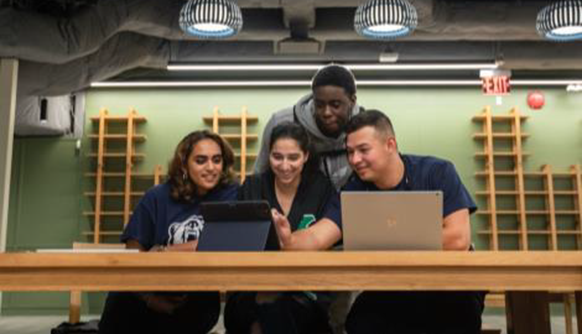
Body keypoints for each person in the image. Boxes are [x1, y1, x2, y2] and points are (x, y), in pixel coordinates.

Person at [323, 109, 484, 334]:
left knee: (457, 317)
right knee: (359, 322)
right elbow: (320, 234)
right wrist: (287, 238)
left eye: (363, 150)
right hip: (393, 285)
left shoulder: (438, 172)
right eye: (350, 152)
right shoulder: (355, 188)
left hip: (449, 283)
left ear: (390, 145)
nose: (354, 160)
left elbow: (458, 240)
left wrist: (382, 240)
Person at [98, 130, 238, 334]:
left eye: (217, 160)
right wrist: (149, 298)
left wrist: (167, 250)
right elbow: (133, 252)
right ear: (183, 164)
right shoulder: (157, 196)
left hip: (198, 291)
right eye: (200, 160)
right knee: (121, 298)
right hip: (155, 285)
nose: (211, 168)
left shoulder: (231, 194)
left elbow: (222, 240)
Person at [224, 122, 339, 334]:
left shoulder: (322, 188)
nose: (285, 166)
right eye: (277, 157)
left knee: (274, 313)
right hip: (252, 286)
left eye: (293, 157)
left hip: (306, 288)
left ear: (305, 156)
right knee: (264, 310)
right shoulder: (252, 186)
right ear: (268, 155)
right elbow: (237, 243)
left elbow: (327, 243)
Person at [254, 64, 363, 190]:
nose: (326, 112)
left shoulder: (364, 127)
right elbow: (259, 176)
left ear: (352, 101)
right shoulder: (281, 122)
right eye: (320, 105)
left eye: (335, 105)